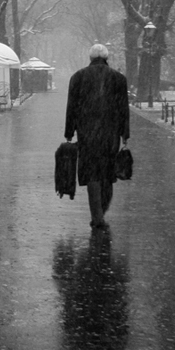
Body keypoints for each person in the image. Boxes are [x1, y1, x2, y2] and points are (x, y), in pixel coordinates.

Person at [63, 43, 130, 230]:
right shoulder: (118, 79)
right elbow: (123, 108)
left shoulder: (78, 77)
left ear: (90, 58)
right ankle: (102, 211)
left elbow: (72, 108)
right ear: (106, 58)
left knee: (92, 173)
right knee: (107, 173)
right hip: (110, 134)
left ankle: (97, 215)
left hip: (87, 134)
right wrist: (125, 134)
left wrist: (69, 132)